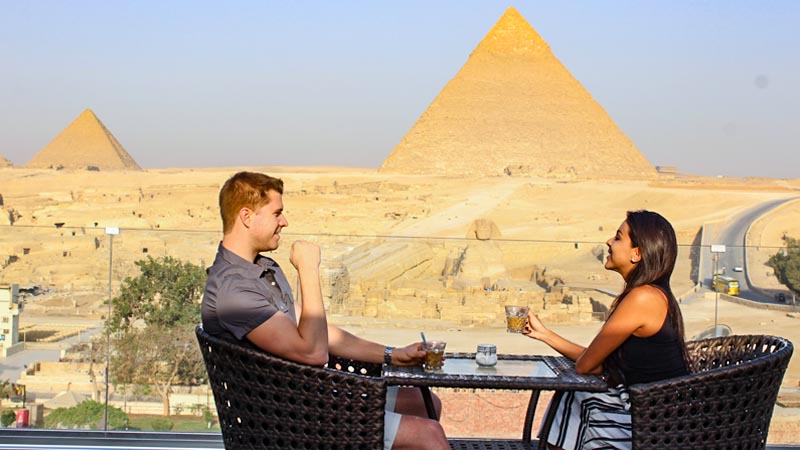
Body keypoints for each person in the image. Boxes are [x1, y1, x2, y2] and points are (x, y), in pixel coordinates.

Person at [201, 171, 449, 450]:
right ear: (247, 217)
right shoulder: (234, 292)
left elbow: (318, 332)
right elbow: (314, 352)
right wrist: (308, 270)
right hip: (289, 419)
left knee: (424, 401)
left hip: (309, 397)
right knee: (429, 435)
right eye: (276, 213)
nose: (284, 221)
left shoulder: (261, 270)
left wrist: (393, 354)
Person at [523, 210, 689, 450]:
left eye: (618, 237)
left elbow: (586, 365)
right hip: (649, 411)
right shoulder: (652, 295)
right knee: (575, 396)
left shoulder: (643, 298)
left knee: (575, 396)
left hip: (653, 425)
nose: (609, 242)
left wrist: (550, 338)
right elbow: (597, 362)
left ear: (637, 253)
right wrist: (545, 334)